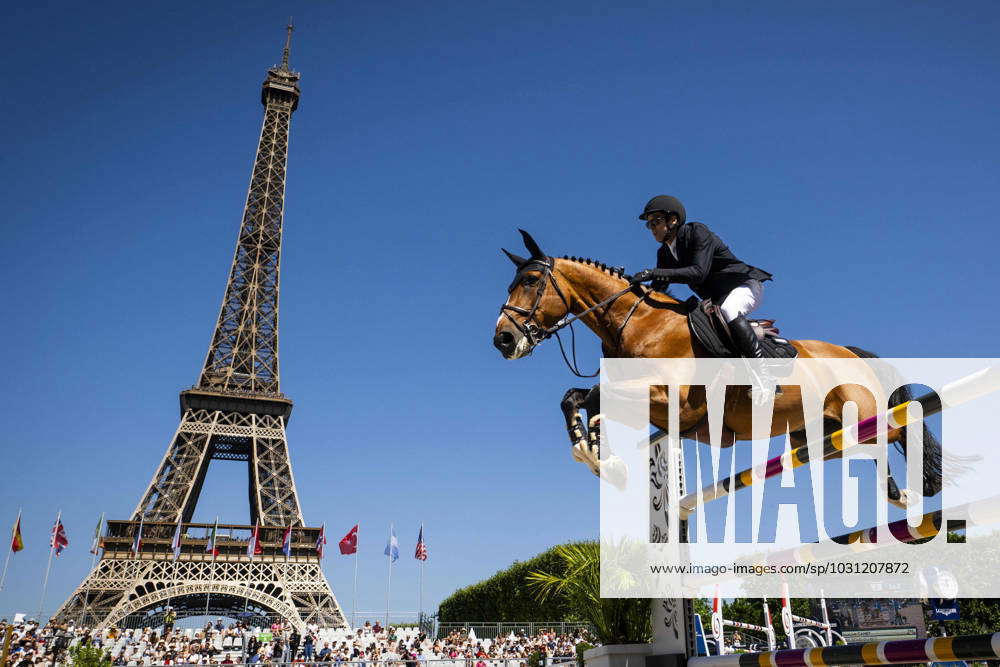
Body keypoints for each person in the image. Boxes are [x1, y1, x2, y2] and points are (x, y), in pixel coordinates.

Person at [631, 195, 779, 397]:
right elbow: (658, 289)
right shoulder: (664, 253)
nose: (652, 228)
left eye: (656, 222)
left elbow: (698, 272)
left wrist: (653, 272)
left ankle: (765, 377)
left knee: (729, 309)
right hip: (715, 301)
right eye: (649, 225)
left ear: (673, 220)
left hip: (743, 285)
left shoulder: (697, 232)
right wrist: (631, 285)